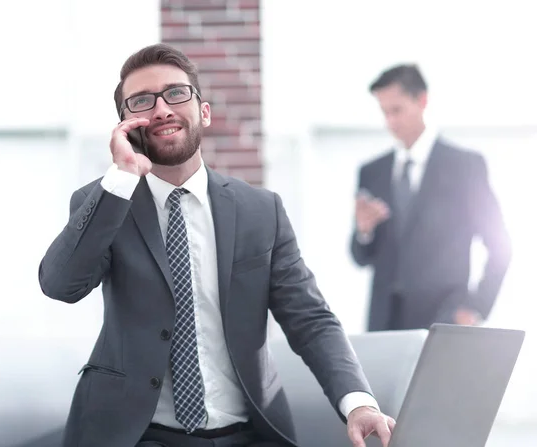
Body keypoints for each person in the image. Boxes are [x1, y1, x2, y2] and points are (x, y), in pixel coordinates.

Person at [39, 43, 395, 447]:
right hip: (138, 434)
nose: (161, 109)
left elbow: (310, 319)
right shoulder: (105, 201)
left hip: (248, 433)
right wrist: (123, 177)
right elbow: (60, 285)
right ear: (126, 125)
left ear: (203, 112)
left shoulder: (261, 210)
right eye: (141, 102)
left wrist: (359, 404)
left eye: (175, 93)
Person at [351, 64, 512, 332]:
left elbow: (500, 245)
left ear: (422, 101)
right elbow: (361, 257)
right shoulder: (372, 173)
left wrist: (476, 306)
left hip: (445, 319)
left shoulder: (465, 166)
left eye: (397, 110)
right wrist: (363, 231)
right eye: (384, 112)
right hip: (385, 325)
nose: (390, 121)